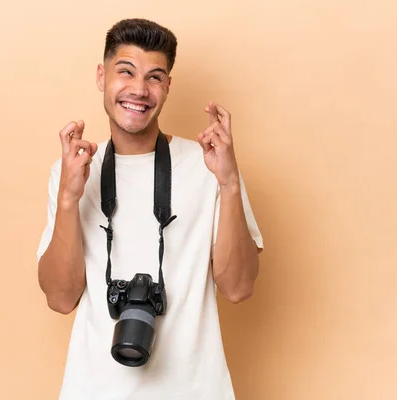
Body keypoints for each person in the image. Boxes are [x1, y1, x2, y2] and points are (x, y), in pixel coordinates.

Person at [36, 18, 264, 400]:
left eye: (155, 77)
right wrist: (68, 198)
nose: (139, 90)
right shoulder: (72, 172)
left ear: (168, 86)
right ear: (100, 76)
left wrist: (229, 183)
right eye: (126, 71)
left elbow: (239, 288)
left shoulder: (208, 165)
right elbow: (60, 299)